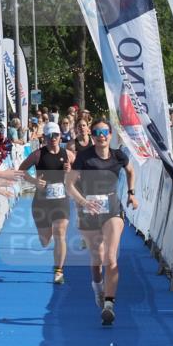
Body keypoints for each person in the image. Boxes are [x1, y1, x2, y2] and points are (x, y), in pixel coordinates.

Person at [66, 119, 137, 326]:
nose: (101, 135)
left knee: (111, 257)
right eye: (97, 132)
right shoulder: (84, 157)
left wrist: (132, 194)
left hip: (112, 208)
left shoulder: (119, 156)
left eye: (104, 131)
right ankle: (98, 288)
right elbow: (69, 184)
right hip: (89, 210)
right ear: (93, 135)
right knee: (97, 257)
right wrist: (83, 201)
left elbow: (131, 171)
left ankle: (109, 304)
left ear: (110, 134)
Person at [19, 121, 75, 285]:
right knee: (45, 240)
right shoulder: (38, 155)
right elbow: (21, 170)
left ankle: (59, 271)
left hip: (61, 200)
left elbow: (79, 175)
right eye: (49, 136)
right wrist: (34, 181)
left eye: (56, 135)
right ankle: (47, 239)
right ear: (45, 137)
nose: (53, 138)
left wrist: (70, 171)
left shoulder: (68, 155)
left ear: (60, 136)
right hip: (41, 202)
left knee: (60, 234)